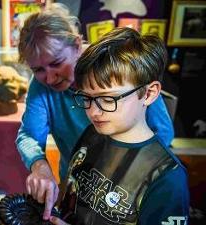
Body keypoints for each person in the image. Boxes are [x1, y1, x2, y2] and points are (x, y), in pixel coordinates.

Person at [16, 3, 175, 221]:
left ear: (77, 44)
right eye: (38, 70)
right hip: (77, 185)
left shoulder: (117, 66)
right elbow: (29, 134)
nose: (50, 78)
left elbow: (163, 132)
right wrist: (39, 165)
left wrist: (137, 178)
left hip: (128, 189)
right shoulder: (41, 86)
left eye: (57, 63)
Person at [49, 27, 189, 225]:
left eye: (108, 99)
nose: (94, 112)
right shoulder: (91, 134)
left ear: (149, 94)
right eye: (87, 97)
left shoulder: (167, 177)